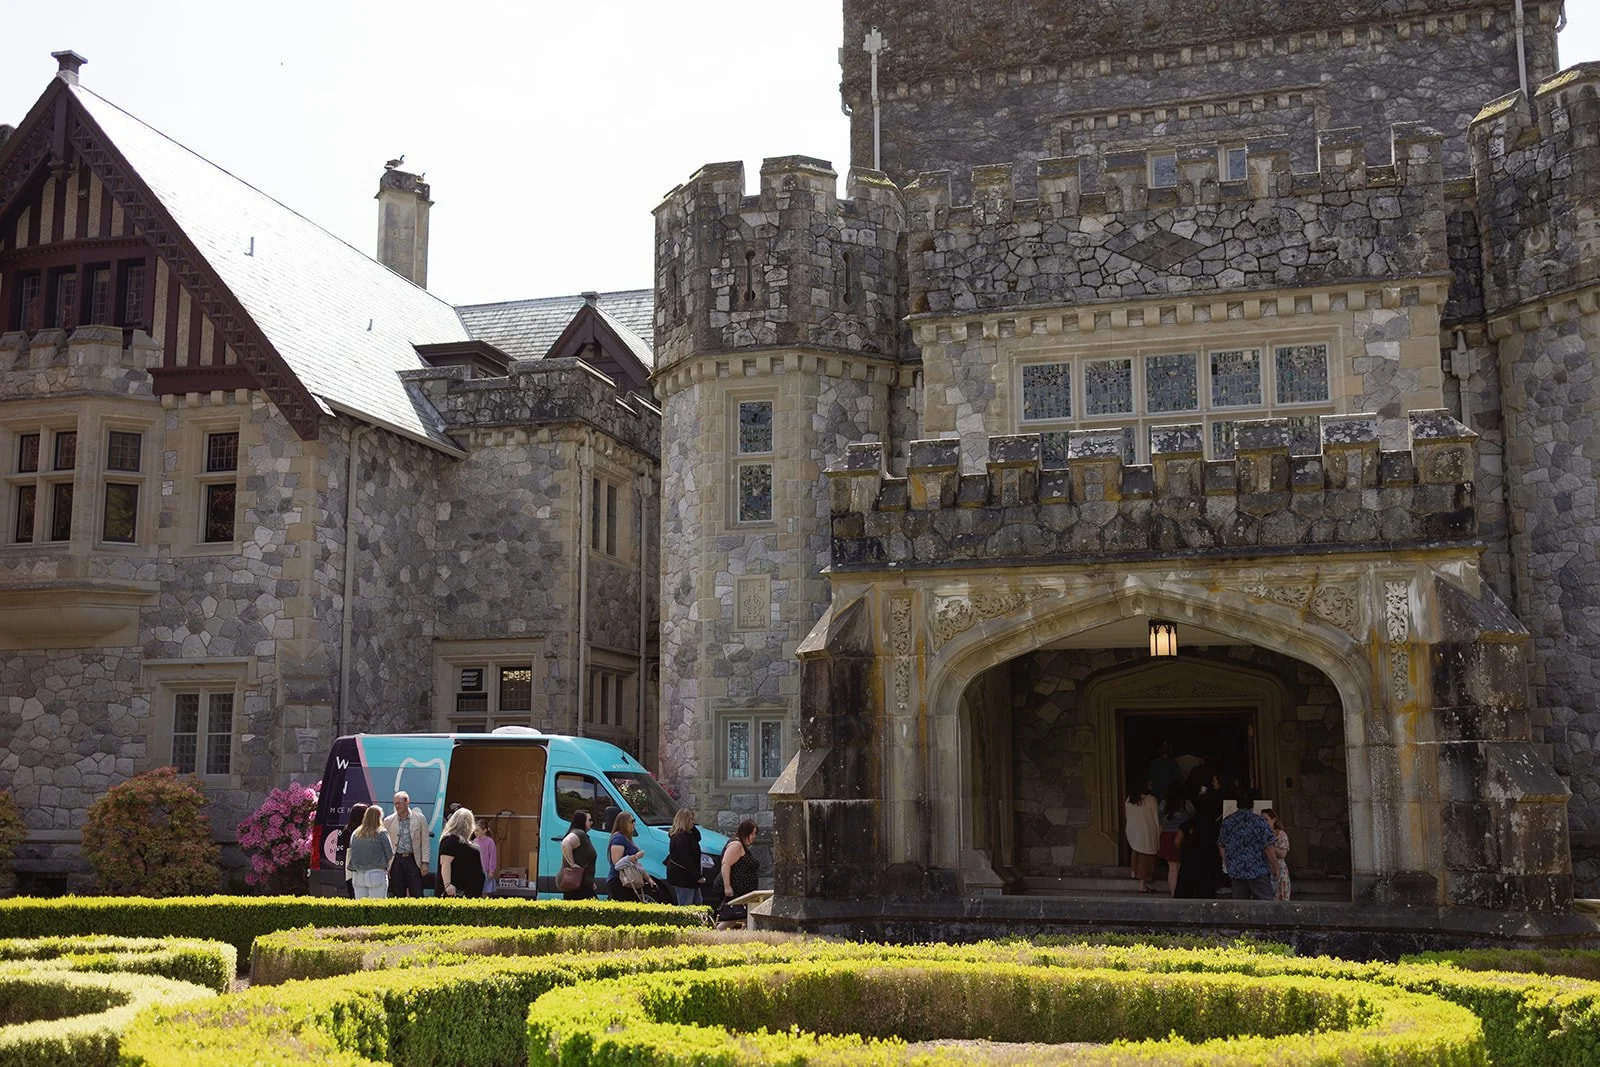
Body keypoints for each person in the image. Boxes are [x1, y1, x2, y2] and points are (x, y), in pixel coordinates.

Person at [1217, 790, 1277, 900]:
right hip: (1258, 870)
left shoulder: (1228, 821)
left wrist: (1227, 862)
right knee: (1266, 903)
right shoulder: (1260, 822)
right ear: (1252, 804)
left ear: (1237, 804)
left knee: (1240, 906)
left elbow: (1221, 844)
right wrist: (1276, 866)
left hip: (1236, 870)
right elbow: (1268, 847)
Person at [1174, 775, 1225, 899]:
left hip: (1189, 857)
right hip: (1208, 858)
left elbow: (1177, 840)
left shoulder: (1190, 823)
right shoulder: (1216, 825)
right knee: (1206, 889)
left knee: (1184, 889)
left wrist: (1182, 852)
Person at [383, 791, 429, 898]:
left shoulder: (420, 818)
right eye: (395, 803)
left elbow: (425, 841)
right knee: (398, 893)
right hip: (396, 860)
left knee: (417, 892)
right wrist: (386, 865)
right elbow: (385, 844)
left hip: (413, 859)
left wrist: (425, 862)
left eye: (399, 803)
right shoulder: (388, 820)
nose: (397, 806)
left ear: (407, 802)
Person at [717, 819, 760, 925]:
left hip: (742, 891)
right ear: (746, 833)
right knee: (731, 917)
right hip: (734, 890)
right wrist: (727, 886)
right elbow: (726, 864)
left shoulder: (741, 846)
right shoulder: (736, 845)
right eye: (753, 833)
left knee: (738, 917)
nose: (754, 836)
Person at [345, 805, 394, 899]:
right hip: (376, 873)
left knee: (361, 907)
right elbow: (390, 853)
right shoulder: (381, 832)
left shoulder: (356, 833)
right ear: (379, 817)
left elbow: (351, 850)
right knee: (377, 907)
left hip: (358, 875)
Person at [438, 806, 485, 898]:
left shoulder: (464, 842)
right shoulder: (450, 840)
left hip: (470, 890)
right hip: (457, 891)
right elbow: (445, 863)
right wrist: (447, 884)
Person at [1123, 782, 1161, 892]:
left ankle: (1134, 873)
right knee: (1146, 858)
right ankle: (1142, 884)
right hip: (1147, 832)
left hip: (1134, 831)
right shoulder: (1151, 800)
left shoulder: (1130, 799)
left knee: (1136, 853)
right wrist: (1159, 833)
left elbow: (1127, 815)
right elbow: (1156, 819)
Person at [1158, 784, 1193, 896]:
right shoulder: (1186, 803)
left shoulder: (1164, 803)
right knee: (1181, 867)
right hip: (1183, 835)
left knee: (1172, 868)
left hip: (1167, 835)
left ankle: (1173, 894)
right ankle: (1180, 893)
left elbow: (1159, 816)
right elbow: (1193, 815)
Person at [605, 811, 649, 902]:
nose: (634, 824)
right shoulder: (618, 838)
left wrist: (648, 878)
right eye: (631, 821)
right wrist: (635, 856)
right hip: (619, 881)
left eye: (634, 821)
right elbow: (617, 864)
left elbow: (636, 865)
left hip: (628, 881)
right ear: (623, 823)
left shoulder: (627, 838)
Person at [666, 808, 705, 906]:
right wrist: (697, 876)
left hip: (689, 877)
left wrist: (692, 827)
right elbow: (686, 859)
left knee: (698, 902)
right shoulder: (681, 837)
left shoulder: (688, 835)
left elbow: (698, 837)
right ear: (685, 821)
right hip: (683, 877)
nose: (693, 822)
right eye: (691, 819)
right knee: (686, 904)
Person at [559, 810, 598, 900]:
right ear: (582, 821)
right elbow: (565, 843)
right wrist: (573, 865)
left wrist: (590, 881)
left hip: (581, 884)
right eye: (589, 820)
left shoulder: (582, 835)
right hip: (579, 886)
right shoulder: (578, 833)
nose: (591, 822)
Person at [339, 802, 369, 898]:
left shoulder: (346, 830)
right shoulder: (360, 831)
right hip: (360, 867)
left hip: (350, 868)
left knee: (353, 894)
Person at [1263, 808, 1292, 901]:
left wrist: (1270, 846)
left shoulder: (1280, 834)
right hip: (1265, 871)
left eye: (1265, 819)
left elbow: (1283, 854)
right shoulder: (1261, 834)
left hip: (1278, 870)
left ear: (1273, 820)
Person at [1145, 744, 1181, 809]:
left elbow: (1149, 781)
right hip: (1168, 796)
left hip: (1157, 795)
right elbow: (1177, 781)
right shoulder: (1173, 763)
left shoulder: (1153, 764)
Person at [473, 816, 499, 897]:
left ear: (484, 830)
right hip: (477, 871)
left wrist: (491, 871)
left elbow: (492, 857)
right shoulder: (474, 842)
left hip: (486, 871)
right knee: (477, 891)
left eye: (477, 830)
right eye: (474, 831)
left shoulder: (490, 842)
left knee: (486, 893)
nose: (475, 833)